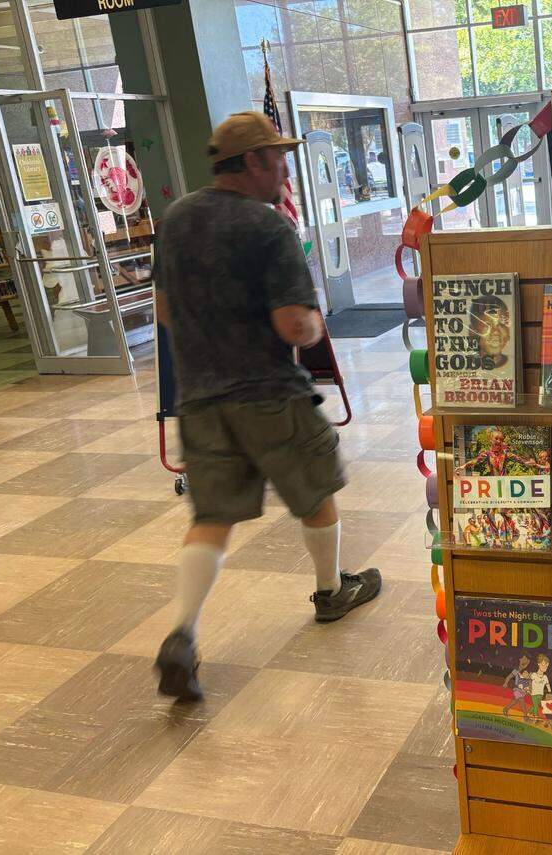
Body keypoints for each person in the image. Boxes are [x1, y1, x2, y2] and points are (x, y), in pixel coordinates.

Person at [153, 111, 381, 702]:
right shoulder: (267, 226)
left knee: (212, 518)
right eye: (276, 156)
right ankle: (331, 591)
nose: (284, 166)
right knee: (315, 492)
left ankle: (183, 633)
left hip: (201, 398)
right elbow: (294, 325)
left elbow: (162, 312)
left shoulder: (175, 219)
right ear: (252, 162)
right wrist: (312, 322)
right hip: (269, 395)